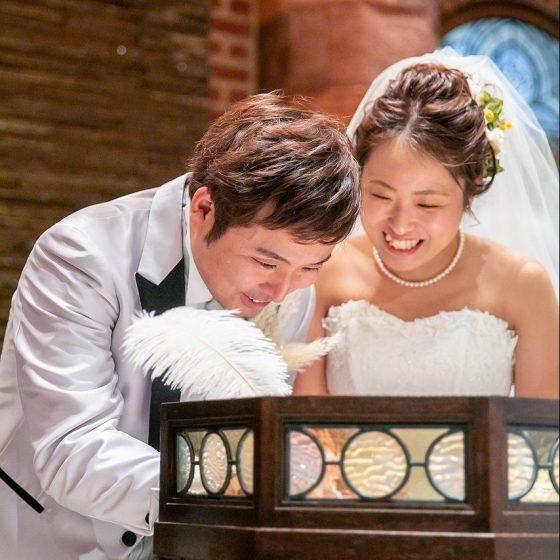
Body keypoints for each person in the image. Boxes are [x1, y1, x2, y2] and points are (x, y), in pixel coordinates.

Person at [0, 92, 360, 559]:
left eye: (311, 267)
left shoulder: (288, 288)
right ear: (204, 209)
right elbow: (73, 449)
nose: (281, 291)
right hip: (56, 540)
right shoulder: (81, 257)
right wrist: (237, 486)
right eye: (265, 261)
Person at [293, 48, 559, 399]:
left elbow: (539, 428)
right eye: (381, 196)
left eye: (427, 203)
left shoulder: (522, 285)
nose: (401, 224)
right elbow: (302, 421)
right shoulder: (323, 269)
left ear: (472, 189)